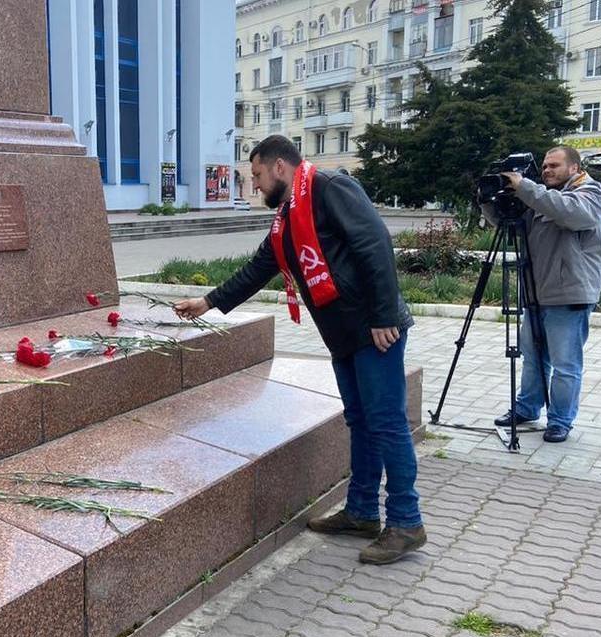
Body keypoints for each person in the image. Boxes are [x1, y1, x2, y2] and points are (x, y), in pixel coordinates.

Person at [174, 135, 424, 565]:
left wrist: (384, 315)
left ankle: (406, 521)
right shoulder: (287, 217)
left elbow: (375, 243)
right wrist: (209, 302)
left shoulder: (330, 189)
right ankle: (362, 511)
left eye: (255, 176)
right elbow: (258, 268)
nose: (253, 186)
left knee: (385, 424)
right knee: (361, 421)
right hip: (344, 336)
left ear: (278, 168)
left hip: (374, 329)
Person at [481, 145, 601, 444]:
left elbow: (569, 213)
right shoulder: (541, 198)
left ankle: (561, 420)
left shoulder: (589, 193)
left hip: (569, 293)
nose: (547, 170)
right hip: (537, 291)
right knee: (533, 358)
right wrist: (488, 200)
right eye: (545, 166)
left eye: (555, 165)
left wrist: (525, 186)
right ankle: (527, 408)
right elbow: (510, 224)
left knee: (565, 364)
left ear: (574, 168)